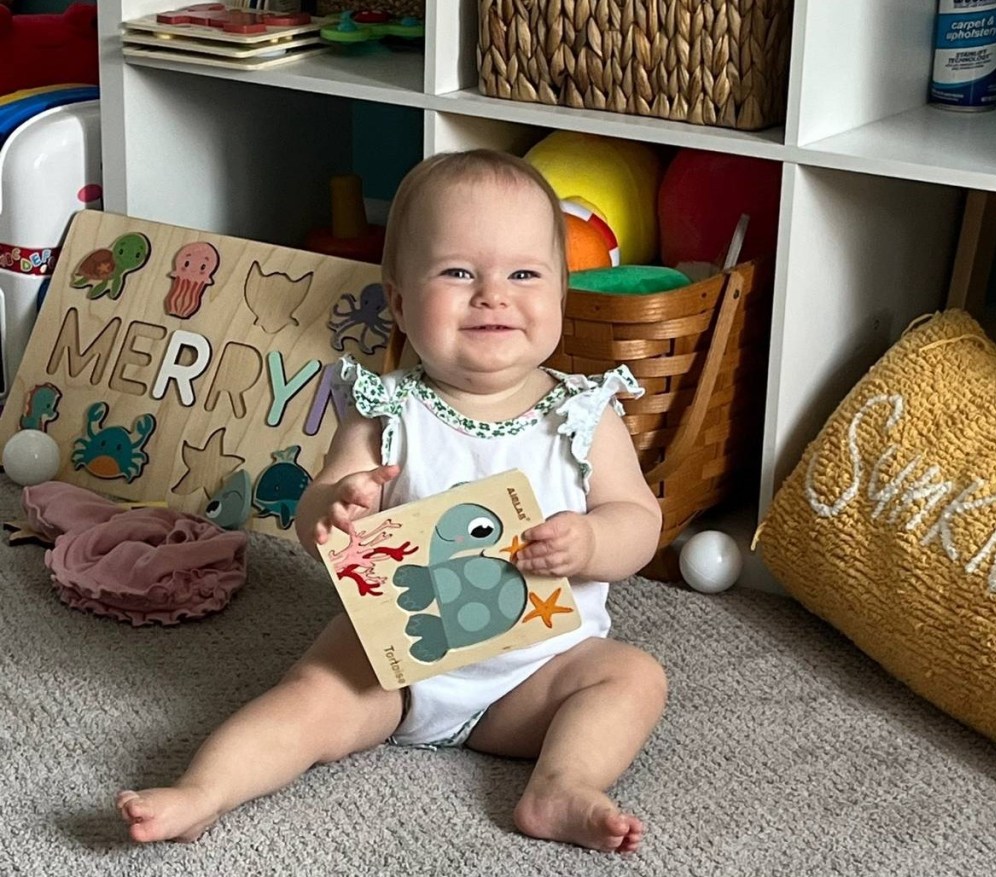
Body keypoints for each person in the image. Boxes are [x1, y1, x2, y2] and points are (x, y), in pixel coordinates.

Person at [116, 149, 667, 854]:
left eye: (524, 273)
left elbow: (638, 523)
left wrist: (591, 543)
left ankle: (560, 784)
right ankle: (203, 790)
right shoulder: (387, 408)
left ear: (561, 293)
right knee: (309, 696)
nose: (493, 293)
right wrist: (337, 508)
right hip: (395, 665)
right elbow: (316, 514)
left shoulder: (585, 413)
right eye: (458, 272)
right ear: (402, 301)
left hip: (536, 671)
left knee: (632, 676)